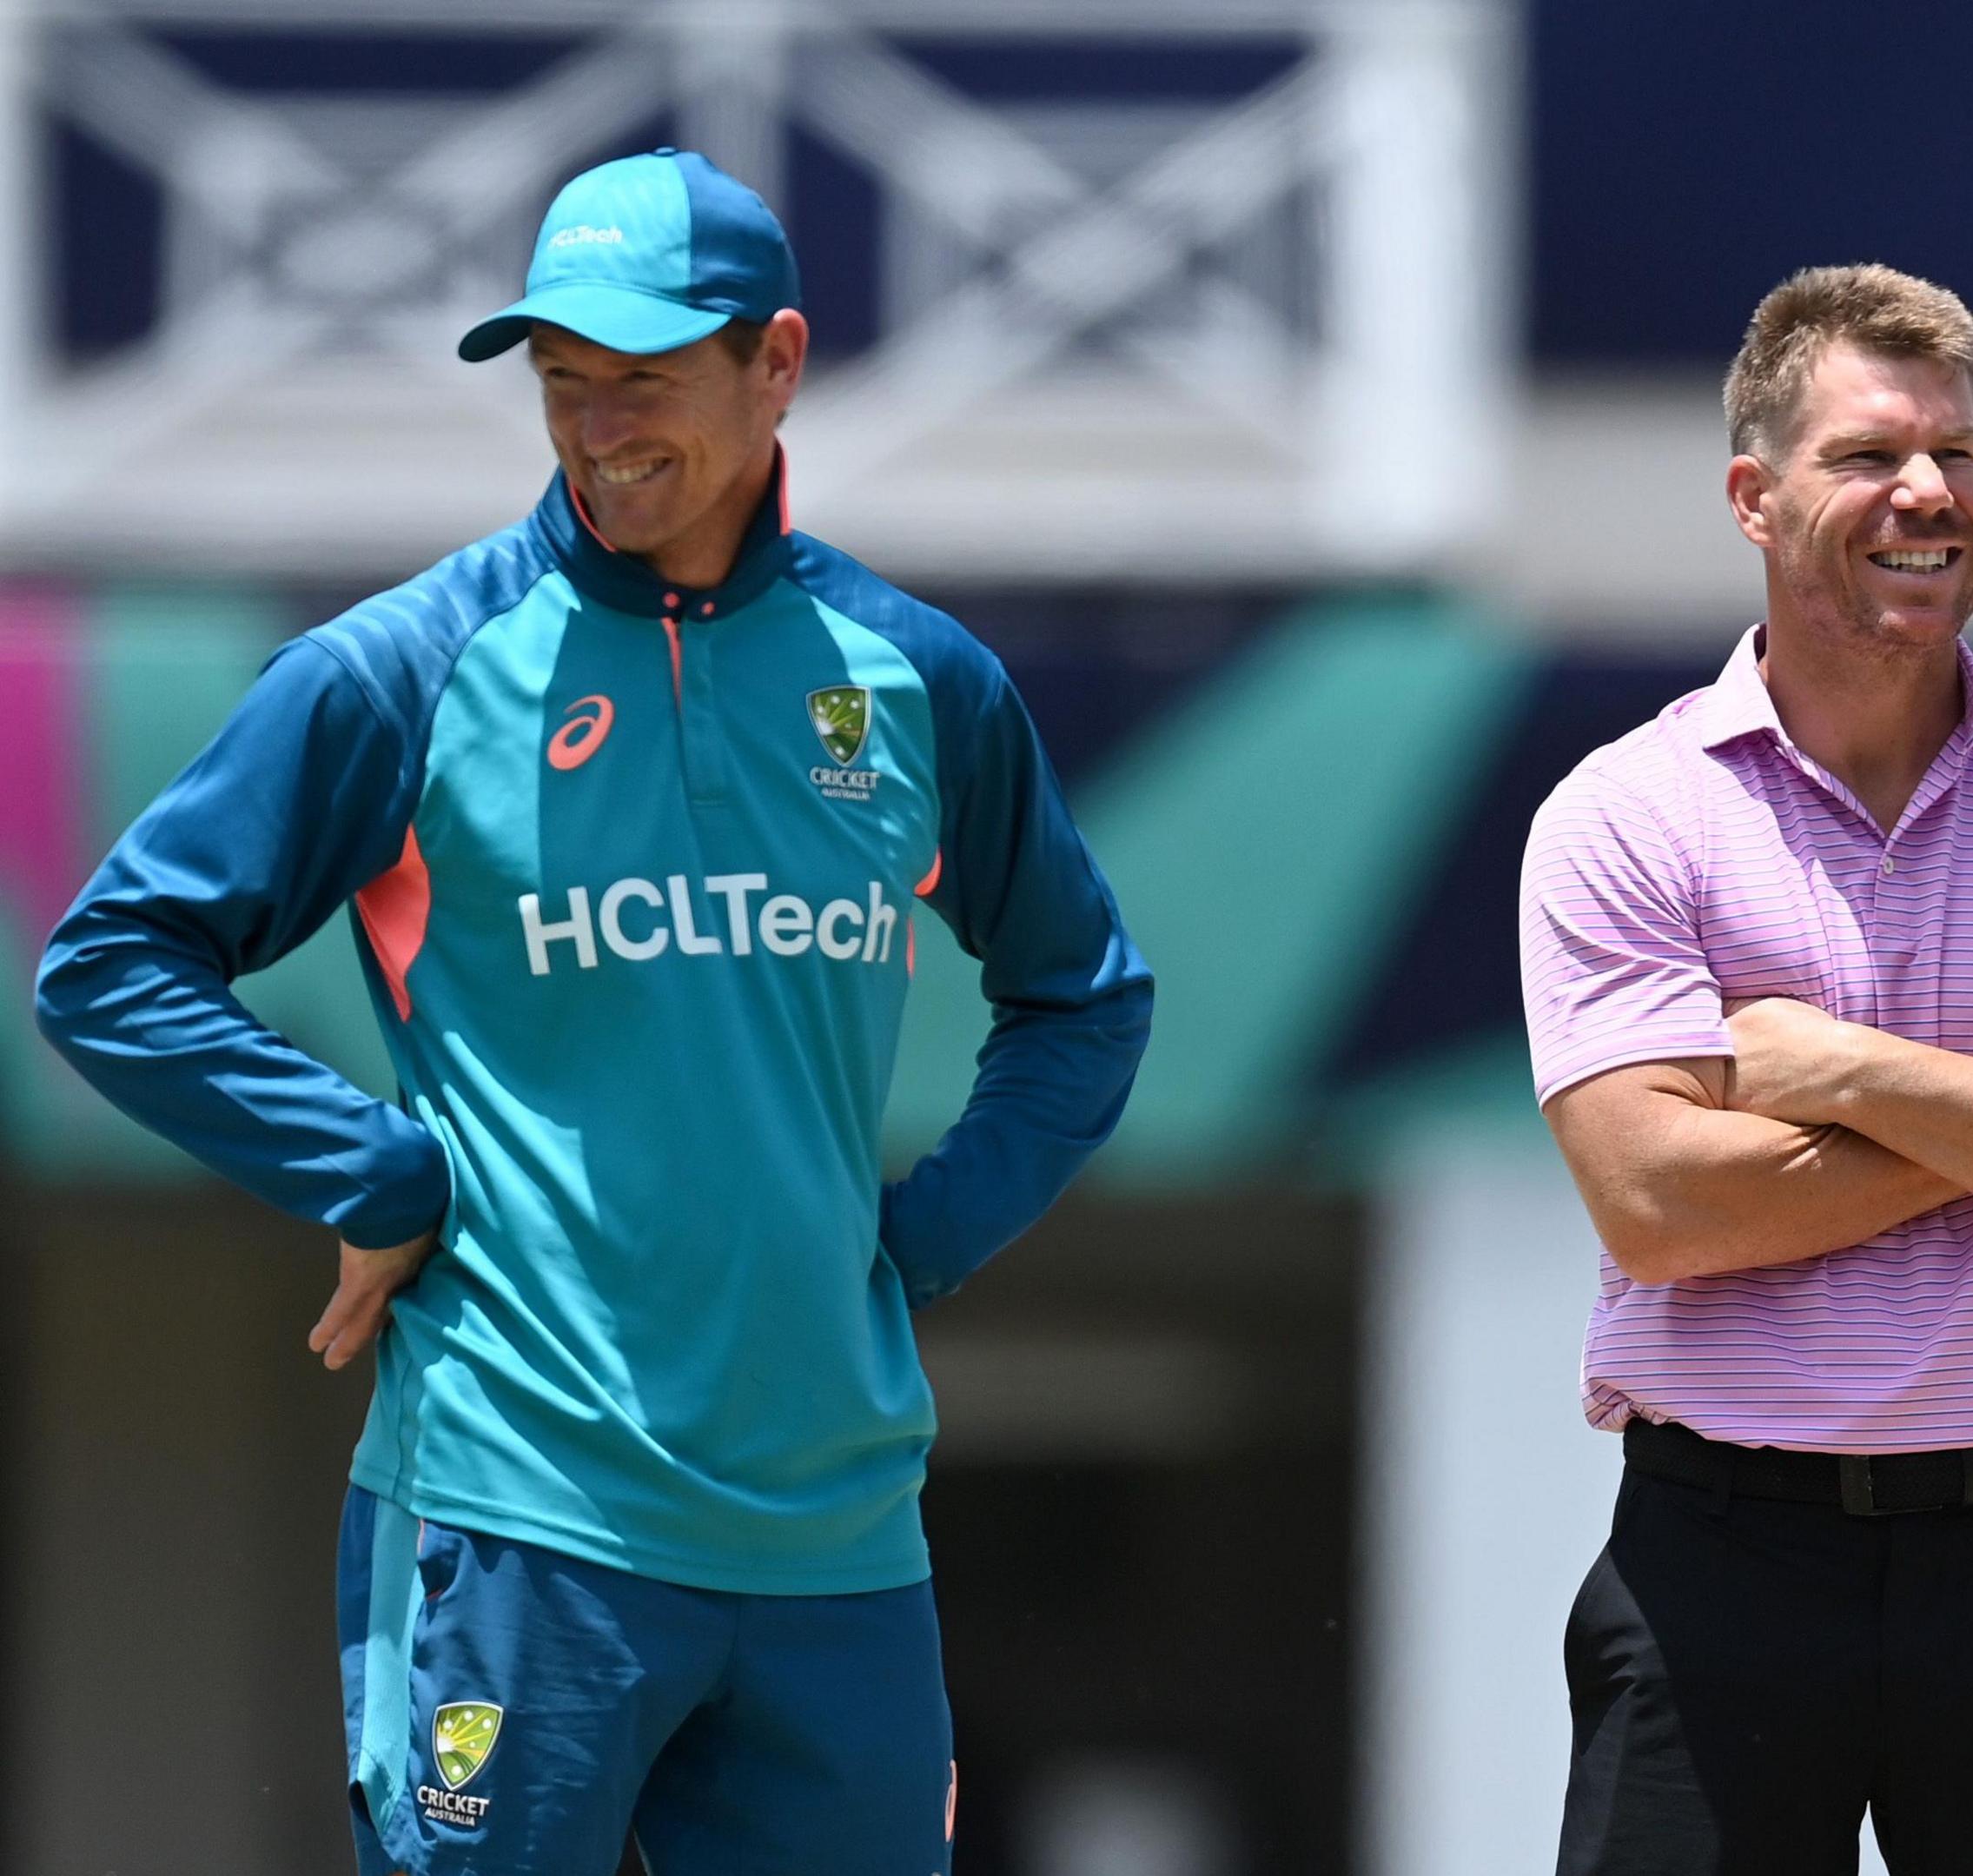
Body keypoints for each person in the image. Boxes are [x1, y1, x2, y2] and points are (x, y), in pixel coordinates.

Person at [32, 148, 1153, 1876]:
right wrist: (382, 1177)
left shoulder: (917, 679)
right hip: (518, 1514)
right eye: (561, 380)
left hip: (838, 1543)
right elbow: (110, 967)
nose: (595, 424)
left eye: (644, 380)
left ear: (776, 362)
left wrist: (907, 1242)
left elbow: (1083, 998)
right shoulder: (407, 666)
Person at [1518, 262, 1973, 1876]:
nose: (1928, 493)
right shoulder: (1626, 812)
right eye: (1868, 456)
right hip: (1717, 1561)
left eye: (1962, 455)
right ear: (1753, 497)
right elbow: (1659, 1207)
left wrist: (1841, 1070)